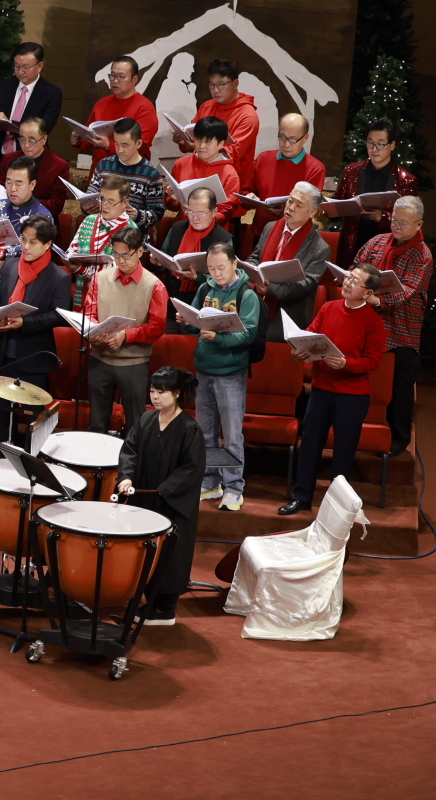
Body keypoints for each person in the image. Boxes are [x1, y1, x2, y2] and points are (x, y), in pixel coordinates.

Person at [283, 264, 388, 516]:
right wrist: (300, 350)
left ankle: (336, 507)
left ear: (367, 293)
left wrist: (346, 364)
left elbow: (373, 362)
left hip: (352, 396)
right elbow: (310, 334)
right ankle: (302, 497)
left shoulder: (374, 322)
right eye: (348, 277)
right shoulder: (329, 307)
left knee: (343, 451)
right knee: (310, 444)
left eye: (355, 281)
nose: (347, 283)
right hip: (321, 389)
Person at [114, 367, 204, 626]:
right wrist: (126, 476)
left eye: (161, 392)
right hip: (145, 500)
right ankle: (145, 601)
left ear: (176, 394)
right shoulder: (145, 419)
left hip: (170, 503)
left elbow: (191, 469)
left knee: (169, 554)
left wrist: (164, 490)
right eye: (152, 391)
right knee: (144, 551)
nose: (154, 397)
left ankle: (165, 609)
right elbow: (129, 450)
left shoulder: (189, 428)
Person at [189, 242, 262, 512]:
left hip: (230, 373)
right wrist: (187, 321)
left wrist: (218, 338)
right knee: (205, 433)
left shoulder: (247, 294)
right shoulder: (204, 289)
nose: (216, 273)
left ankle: (233, 488)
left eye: (221, 267)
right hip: (204, 369)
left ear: (234, 264)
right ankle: (210, 481)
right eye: (211, 268)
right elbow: (196, 318)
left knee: (231, 435)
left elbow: (248, 335)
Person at [356, 196, 430, 458]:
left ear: (418, 225)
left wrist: (376, 299)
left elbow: (407, 292)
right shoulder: (376, 242)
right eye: (394, 220)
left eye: (403, 223)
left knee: (400, 383)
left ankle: (399, 438)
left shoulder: (422, 255)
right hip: (367, 323)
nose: (396, 226)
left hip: (402, 328)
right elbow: (356, 267)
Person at [0, 216, 71, 441]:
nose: (25, 246)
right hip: (4, 353)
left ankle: (32, 458)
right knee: (3, 415)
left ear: (48, 244)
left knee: (33, 417)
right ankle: (3, 454)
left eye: (33, 242)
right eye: (23, 239)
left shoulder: (59, 276)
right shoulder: (10, 266)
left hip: (33, 357)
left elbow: (59, 315)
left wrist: (26, 323)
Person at [83, 228, 167, 433]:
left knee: (135, 424)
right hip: (100, 358)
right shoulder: (100, 278)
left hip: (133, 363)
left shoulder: (154, 285)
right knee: (97, 423)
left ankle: (134, 455)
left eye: (126, 255)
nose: (120, 260)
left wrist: (126, 335)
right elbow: (89, 312)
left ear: (140, 252)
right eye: (116, 254)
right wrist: (94, 332)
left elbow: (157, 327)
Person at [338, 117, 420, 267]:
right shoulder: (351, 171)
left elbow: (409, 221)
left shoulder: (406, 180)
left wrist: (382, 217)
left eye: (380, 144)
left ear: (392, 145)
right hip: (352, 245)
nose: (374, 149)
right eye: (370, 142)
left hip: (386, 249)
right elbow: (337, 205)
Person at [254, 181, 334, 330]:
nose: (290, 207)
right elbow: (255, 257)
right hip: (254, 301)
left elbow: (305, 285)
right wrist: (250, 270)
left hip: (287, 313)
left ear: (312, 212)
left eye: (299, 205)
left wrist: (270, 289)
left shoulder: (320, 248)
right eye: (290, 201)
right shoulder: (270, 227)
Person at [195, 57, 262, 180]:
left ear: (235, 83)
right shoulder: (206, 107)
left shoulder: (247, 115)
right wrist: (185, 141)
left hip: (231, 179)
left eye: (221, 85)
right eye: (211, 85)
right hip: (201, 174)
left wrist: (200, 147)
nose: (215, 90)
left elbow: (231, 153)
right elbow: (194, 139)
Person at [87, 57, 159, 164]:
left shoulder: (144, 107)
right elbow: (90, 134)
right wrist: (79, 140)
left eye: (121, 77)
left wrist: (109, 145)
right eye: (113, 76)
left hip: (130, 169)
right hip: (100, 167)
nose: (115, 81)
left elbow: (141, 145)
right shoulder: (101, 104)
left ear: (134, 79)